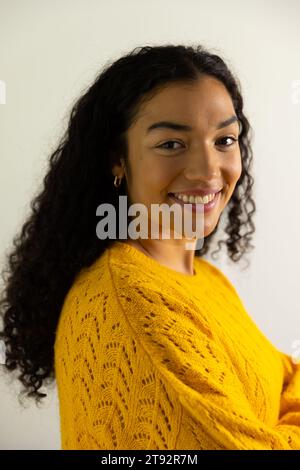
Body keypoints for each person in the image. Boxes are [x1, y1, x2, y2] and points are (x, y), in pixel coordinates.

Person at [0, 44, 299, 450]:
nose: (209, 170)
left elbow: (287, 375)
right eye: (172, 144)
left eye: (224, 140)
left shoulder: (204, 279)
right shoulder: (130, 298)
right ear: (116, 160)